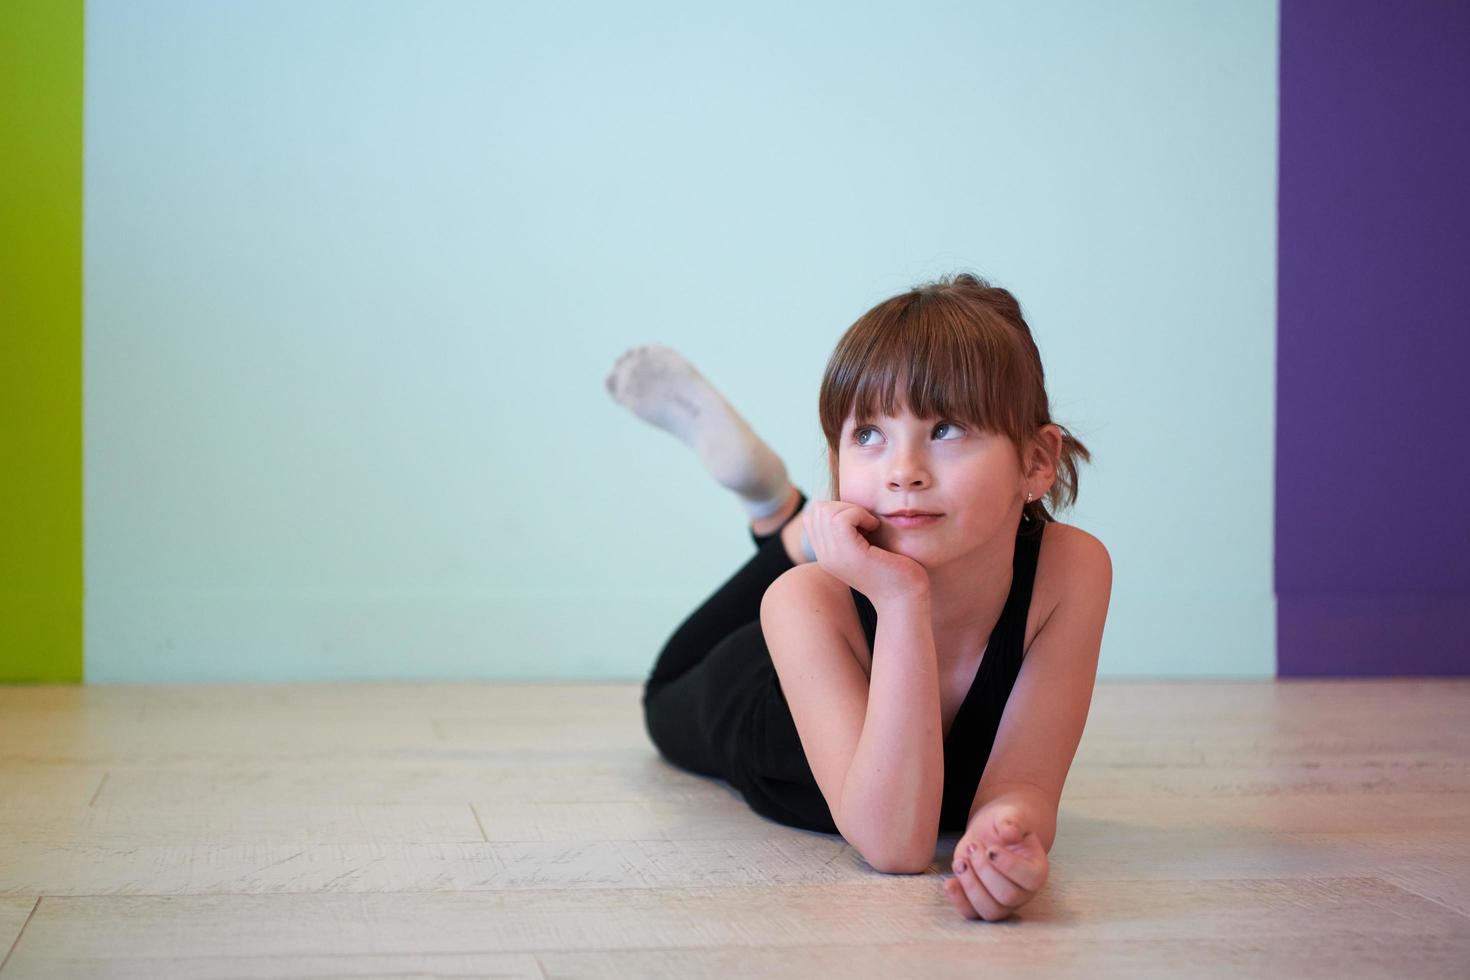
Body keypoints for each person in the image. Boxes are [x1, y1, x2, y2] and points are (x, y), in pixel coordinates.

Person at [606, 272, 1112, 922]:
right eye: (869, 435)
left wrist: (1007, 835)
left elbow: (1024, 783)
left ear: (1037, 462)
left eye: (947, 428)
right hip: (755, 693)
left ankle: (782, 518)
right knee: (663, 688)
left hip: (852, 598)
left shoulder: (1071, 572)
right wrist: (902, 601)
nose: (903, 470)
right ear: (838, 463)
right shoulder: (806, 604)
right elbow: (897, 846)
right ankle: (783, 524)